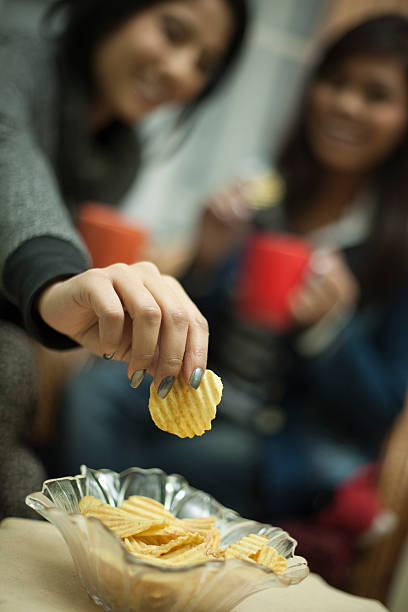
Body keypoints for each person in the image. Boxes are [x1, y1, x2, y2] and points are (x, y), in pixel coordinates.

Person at [58, 13, 408, 523]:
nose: (346, 105)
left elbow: (381, 411)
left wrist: (332, 332)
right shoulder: (267, 199)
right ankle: (89, 536)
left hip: (284, 436)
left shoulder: (394, 251)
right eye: (335, 83)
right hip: (212, 391)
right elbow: (207, 327)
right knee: (95, 391)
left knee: (190, 458)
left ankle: (118, 540)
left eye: (376, 95)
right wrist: (208, 258)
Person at [0, 0, 248, 519]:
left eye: (204, 63)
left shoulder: (121, 154)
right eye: (173, 32)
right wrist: (61, 281)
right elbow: (9, 158)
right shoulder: (16, 61)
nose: (181, 71)